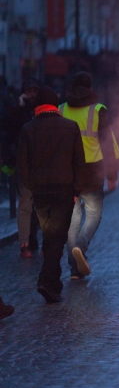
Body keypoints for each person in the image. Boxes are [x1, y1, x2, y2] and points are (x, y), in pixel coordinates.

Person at [17, 87, 86, 303]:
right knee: (56, 238)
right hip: (63, 190)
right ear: (56, 106)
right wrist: (76, 191)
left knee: (50, 237)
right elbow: (79, 162)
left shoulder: (28, 129)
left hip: (41, 191)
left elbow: (22, 165)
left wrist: (32, 186)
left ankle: (53, 284)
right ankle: (46, 282)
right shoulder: (70, 127)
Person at [59, 72, 119, 280]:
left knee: (72, 220)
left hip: (68, 172)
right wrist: (112, 173)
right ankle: (81, 246)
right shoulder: (98, 110)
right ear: (91, 88)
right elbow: (107, 143)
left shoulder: (61, 109)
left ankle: (74, 269)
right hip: (92, 171)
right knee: (93, 215)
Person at [0, 77, 41, 258]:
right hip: (23, 163)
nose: (32, 94)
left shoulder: (42, 110)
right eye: (29, 91)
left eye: (35, 91)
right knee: (25, 203)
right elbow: (7, 127)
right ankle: (25, 242)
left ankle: (34, 238)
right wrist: (20, 108)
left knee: (39, 205)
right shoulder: (18, 111)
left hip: (41, 164)